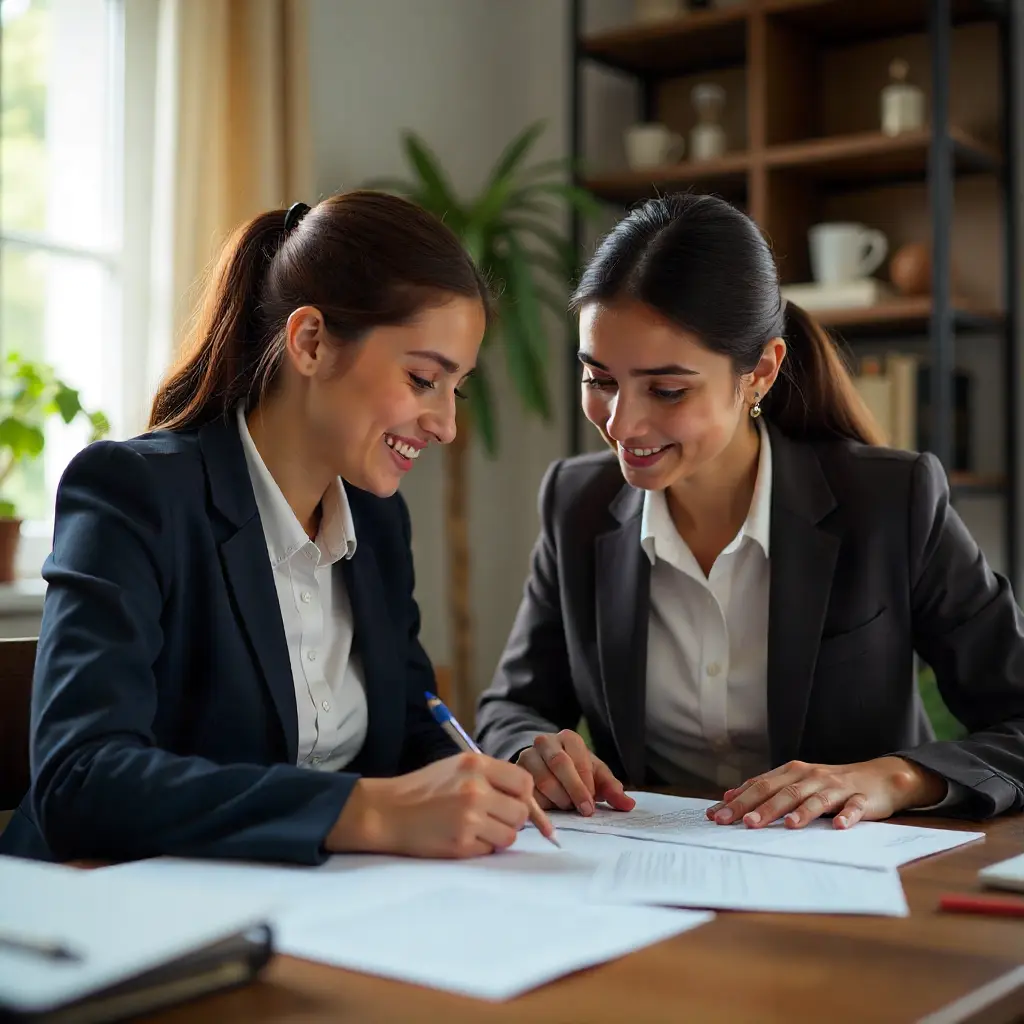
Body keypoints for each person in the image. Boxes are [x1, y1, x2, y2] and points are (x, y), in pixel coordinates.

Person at [1, 190, 540, 865]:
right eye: (423, 378)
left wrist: (504, 774)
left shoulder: (375, 520)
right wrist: (359, 812)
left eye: (454, 389)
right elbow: (80, 779)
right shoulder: (133, 493)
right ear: (310, 342)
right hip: (103, 913)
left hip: (301, 908)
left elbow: (410, 726)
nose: (447, 425)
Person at [477, 192, 1024, 831]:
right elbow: (510, 709)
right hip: (643, 874)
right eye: (599, 381)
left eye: (667, 389)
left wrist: (897, 777)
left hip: (843, 882)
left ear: (760, 372)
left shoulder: (891, 501)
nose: (621, 422)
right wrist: (531, 749)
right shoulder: (577, 503)